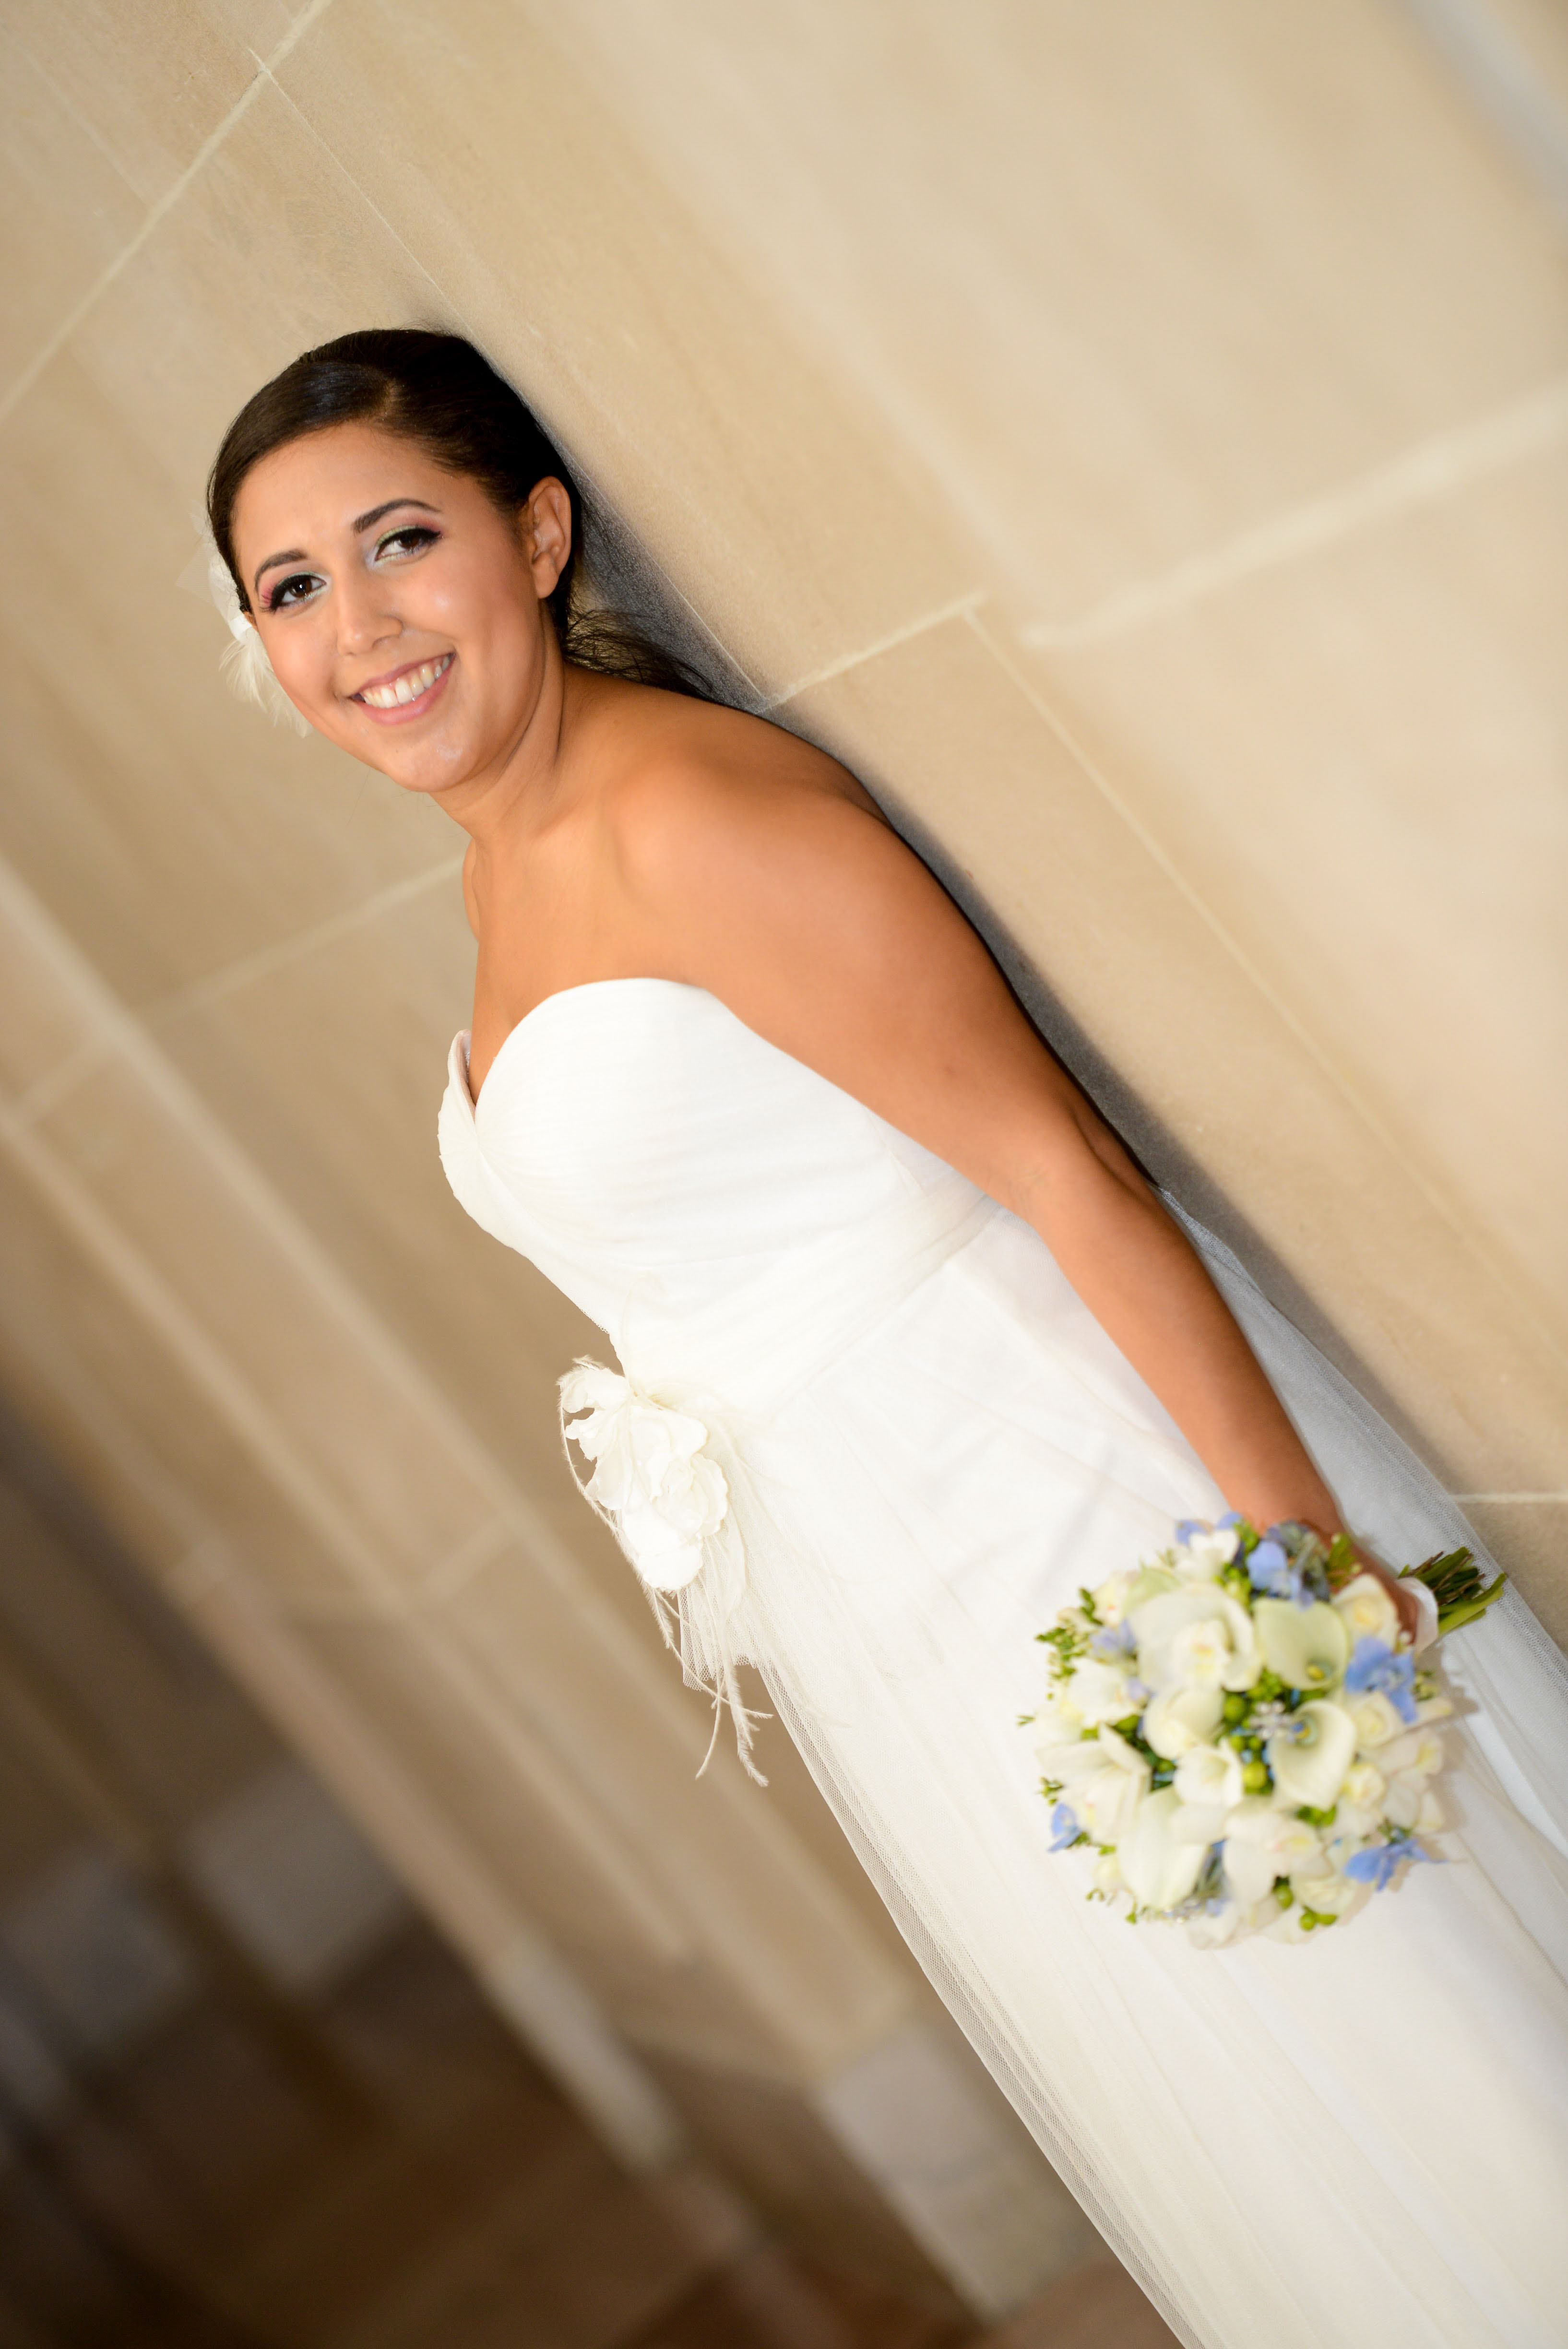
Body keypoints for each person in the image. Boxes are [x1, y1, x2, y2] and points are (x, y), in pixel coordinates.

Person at [208, 330, 1568, 2349]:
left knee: (1399, 2038)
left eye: (401, 543)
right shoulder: (506, 872)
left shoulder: (696, 815)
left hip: (1064, 1515)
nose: (361, 626)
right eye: (294, 590)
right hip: (895, 1592)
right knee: (1246, 2089)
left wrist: (1303, 1578)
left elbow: (1065, 1175)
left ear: (538, 533)